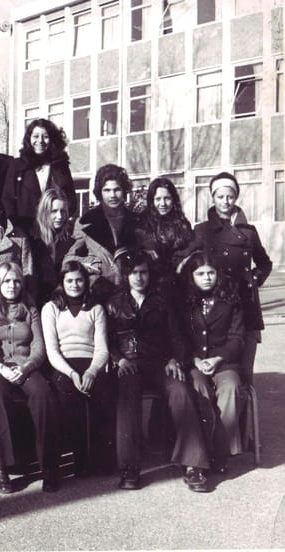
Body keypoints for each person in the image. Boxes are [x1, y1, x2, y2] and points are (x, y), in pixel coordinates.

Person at [106, 250, 211, 492]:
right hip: (130, 364)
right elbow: (108, 340)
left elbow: (177, 337)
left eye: (143, 272)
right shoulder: (114, 303)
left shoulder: (161, 301)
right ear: (126, 276)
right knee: (127, 397)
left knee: (180, 390)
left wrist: (175, 359)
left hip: (160, 363)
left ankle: (192, 465)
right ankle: (130, 467)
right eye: (133, 273)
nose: (139, 278)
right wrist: (120, 360)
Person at [187, 172, 272, 401]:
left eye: (230, 196)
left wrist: (253, 279)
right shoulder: (202, 230)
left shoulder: (248, 232)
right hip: (216, 308)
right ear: (213, 197)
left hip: (246, 306)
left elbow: (265, 263)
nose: (225, 201)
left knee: (244, 374)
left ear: (236, 197)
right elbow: (188, 263)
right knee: (214, 373)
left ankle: (244, 424)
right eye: (220, 196)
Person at [0, 262, 60, 494]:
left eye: (16, 280)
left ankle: (49, 467)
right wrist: (0, 368)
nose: (12, 285)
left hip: (26, 367)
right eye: (6, 281)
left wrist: (26, 368)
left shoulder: (30, 309)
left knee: (43, 393)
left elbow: (39, 348)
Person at [41, 261, 115, 477]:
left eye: (79, 280)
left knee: (103, 393)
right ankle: (79, 459)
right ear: (62, 282)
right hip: (64, 365)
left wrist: (92, 371)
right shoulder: (51, 308)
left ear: (86, 282)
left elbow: (102, 348)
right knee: (68, 396)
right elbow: (52, 350)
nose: (74, 285)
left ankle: (101, 459)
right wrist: (72, 373)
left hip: (92, 363)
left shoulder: (96, 308)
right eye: (69, 280)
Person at [181, 251, 245, 469]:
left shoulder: (231, 300)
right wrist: (195, 360)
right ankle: (202, 452)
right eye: (200, 274)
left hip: (224, 360)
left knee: (231, 386)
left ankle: (219, 452)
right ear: (192, 276)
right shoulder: (184, 302)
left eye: (211, 273)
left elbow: (237, 338)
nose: (206, 278)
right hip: (194, 362)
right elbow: (179, 338)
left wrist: (218, 359)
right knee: (198, 388)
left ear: (218, 274)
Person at [63, 163, 141, 303]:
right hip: (99, 294)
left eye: (117, 189)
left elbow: (149, 255)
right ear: (100, 192)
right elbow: (69, 260)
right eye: (107, 190)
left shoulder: (137, 221)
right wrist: (91, 267)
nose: (112, 195)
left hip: (133, 291)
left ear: (124, 191)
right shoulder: (85, 222)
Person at [2, 118, 76, 235]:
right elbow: (7, 199)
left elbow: (71, 199)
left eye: (45, 137)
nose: (40, 141)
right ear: (29, 139)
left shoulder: (60, 166)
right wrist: (16, 227)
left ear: (52, 139)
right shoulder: (17, 165)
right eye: (36, 136)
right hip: (25, 230)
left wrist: (62, 222)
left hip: (54, 231)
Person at [137, 178, 193, 300]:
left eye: (167, 198)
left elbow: (187, 251)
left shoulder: (182, 223)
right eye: (158, 199)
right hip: (149, 284)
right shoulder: (142, 223)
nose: (163, 204)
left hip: (178, 282)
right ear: (151, 201)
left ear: (174, 199)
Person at [32, 188, 75, 307]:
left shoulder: (71, 236)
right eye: (54, 211)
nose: (59, 216)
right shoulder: (32, 238)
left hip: (65, 299)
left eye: (63, 211)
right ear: (44, 212)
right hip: (38, 301)